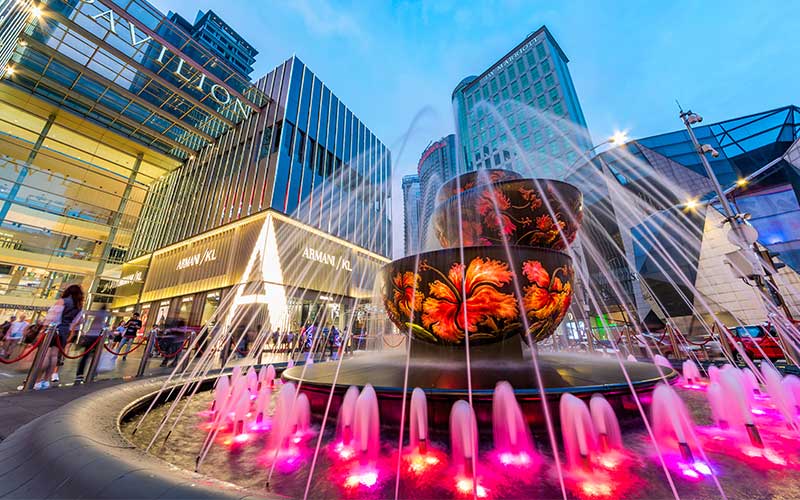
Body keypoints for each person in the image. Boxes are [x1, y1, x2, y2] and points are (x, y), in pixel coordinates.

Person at [33, 284, 83, 390]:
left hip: (53, 330)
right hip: (64, 331)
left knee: (45, 355)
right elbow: (75, 322)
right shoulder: (79, 306)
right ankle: (46, 381)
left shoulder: (62, 301)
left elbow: (52, 316)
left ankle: (37, 381)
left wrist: (43, 329)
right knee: (54, 356)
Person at [74, 304, 109, 383]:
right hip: (96, 338)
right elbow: (102, 326)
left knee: (86, 356)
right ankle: (93, 372)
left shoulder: (96, 314)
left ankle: (80, 374)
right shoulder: (102, 315)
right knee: (95, 356)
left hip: (89, 336)